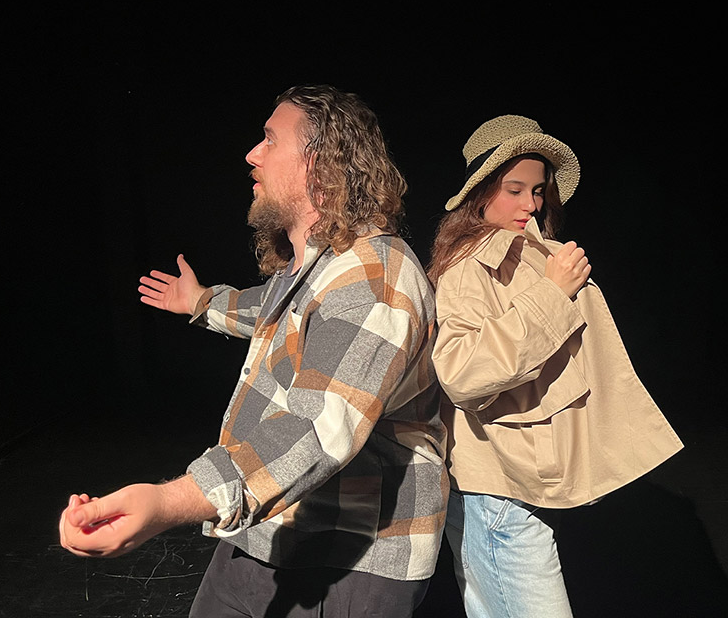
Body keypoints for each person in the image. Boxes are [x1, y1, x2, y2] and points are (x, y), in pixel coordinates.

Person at [59, 84, 448, 617]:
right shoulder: (316, 268)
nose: (251, 154)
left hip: (353, 555)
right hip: (275, 527)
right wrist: (200, 301)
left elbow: (317, 428)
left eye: (270, 139)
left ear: (322, 162)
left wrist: (168, 502)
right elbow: (269, 310)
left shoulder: (373, 278)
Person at [427, 115, 684, 618]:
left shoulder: (525, 255)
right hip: (499, 491)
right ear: (480, 192)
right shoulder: (471, 266)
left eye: (538, 191)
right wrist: (552, 293)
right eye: (514, 190)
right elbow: (460, 372)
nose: (531, 204)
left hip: (520, 483)